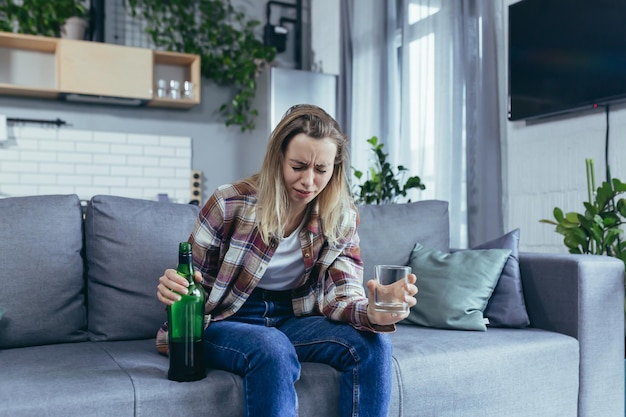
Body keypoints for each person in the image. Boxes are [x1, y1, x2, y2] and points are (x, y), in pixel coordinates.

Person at [157, 104, 418, 417]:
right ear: (278, 157)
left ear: (334, 168)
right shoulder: (229, 203)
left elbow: (342, 295)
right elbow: (192, 286)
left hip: (294, 317)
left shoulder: (342, 216)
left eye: (321, 170)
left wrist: (374, 312)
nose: (309, 181)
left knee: (374, 345)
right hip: (227, 320)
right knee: (272, 347)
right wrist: (175, 289)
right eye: (298, 166)